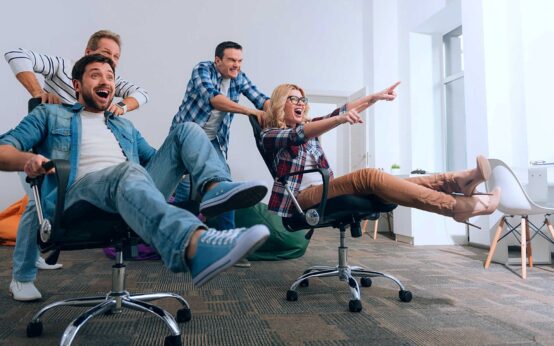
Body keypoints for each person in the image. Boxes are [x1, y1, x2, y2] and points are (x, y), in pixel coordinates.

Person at [0, 54, 270, 301]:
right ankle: (193, 245)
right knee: (127, 171)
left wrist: (189, 161)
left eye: (110, 76)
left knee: (187, 130)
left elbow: (157, 160)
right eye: (95, 75)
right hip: (76, 198)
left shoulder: (124, 125)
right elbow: (4, 149)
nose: (105, 80)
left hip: (128, 185)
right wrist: (27, 160)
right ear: (77, 85)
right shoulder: (49, 114)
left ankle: (216, 187)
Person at [4, 30, 150, 273]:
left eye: (115, 57)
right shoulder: (62, 66)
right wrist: (38, 92)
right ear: (87, 53)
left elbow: (143, 94)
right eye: (105, 53)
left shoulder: (108, 78)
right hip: (51, 152)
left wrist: (121, 107)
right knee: (36, 201)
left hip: (88, 166)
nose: (111, 61)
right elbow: (15, 54)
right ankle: (23, 272)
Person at [260, 83, 501, 225]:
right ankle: (454, 206)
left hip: (326, 189)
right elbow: (298, 135)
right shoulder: (270, 135)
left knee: (404, 182)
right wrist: (339, 119)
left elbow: (342, 110)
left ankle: (460, 180)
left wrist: (374, 98)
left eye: (303, 99)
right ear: (282, 103)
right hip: (301, 201)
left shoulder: (310, 127)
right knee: (369, 177)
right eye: (294, 99)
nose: (301, 102)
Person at [170, 41, 270, 267]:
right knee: (185, 191)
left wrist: (281, 106)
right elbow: (215, 99)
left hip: (213, 141)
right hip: (186, 135)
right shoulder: (202, 70)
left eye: (240, 60)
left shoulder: (239, 77)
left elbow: (261, 99)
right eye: (232, 60)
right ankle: (176, 245)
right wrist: (249, 111)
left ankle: (231, 247)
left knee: (225, 184)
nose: (237, 65)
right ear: (218, 60)